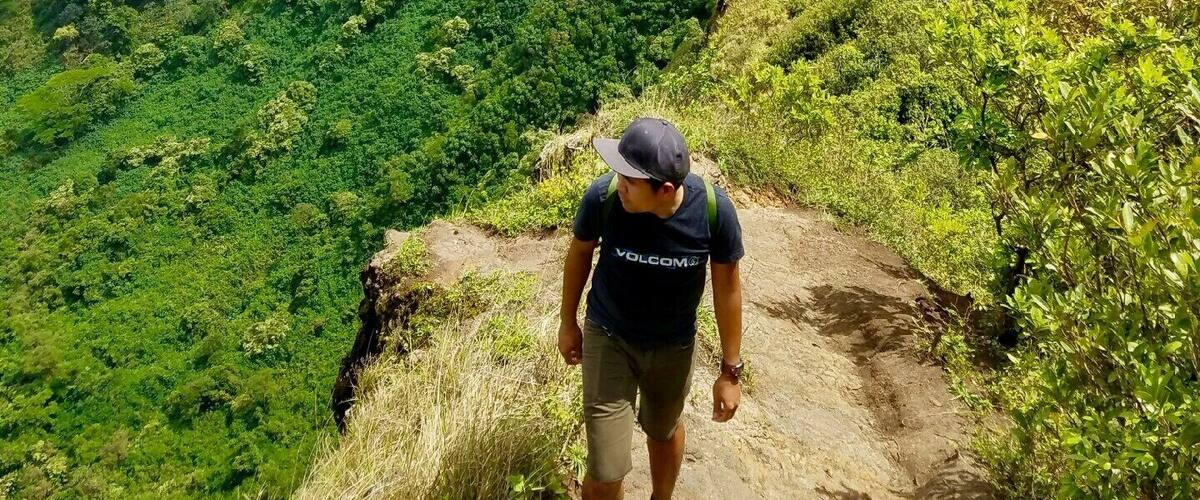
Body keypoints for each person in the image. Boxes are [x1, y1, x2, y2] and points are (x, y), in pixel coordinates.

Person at [558, 117, 745, 499]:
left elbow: (727, 289)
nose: (618, 183)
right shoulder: (604, 198)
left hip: (673, 346)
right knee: (606, 468)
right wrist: (567, 322)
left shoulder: (712, 212)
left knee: (663, 430)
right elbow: (579, 251)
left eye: (629, 179)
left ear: (664, 190)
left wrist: (730, 372)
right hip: (609, 336)